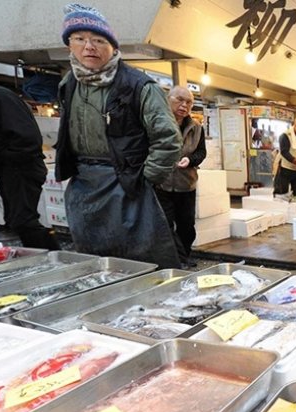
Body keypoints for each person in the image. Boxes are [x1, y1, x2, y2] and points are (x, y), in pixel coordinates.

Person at [54, 4, 182, 269]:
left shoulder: (138, 85)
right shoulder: (68, 83)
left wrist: (146, 178)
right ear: (69, 45)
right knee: (94, 262)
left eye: (98, 40)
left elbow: (168, 138)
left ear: (113, 46)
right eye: (79, 39)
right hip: (83, 183)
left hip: (126, 183)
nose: (89, 47)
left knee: (141, 259)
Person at [0, 56, 60, 250]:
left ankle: (54, 258)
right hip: (9, 170)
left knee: (24, 220)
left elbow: (27, 138)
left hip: (21, 168)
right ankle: (46, 259)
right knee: (18, 220)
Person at [155, 86, 206, 269]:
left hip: (186, 185)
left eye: (189, 102)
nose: (184, 105)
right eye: (179, 100)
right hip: (162, 184)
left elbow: (201, 153)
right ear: (168, 99)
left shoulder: (197, 128)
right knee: (166, 226)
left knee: (187, 227)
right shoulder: (157, 124)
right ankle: (177, 260)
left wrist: (190, 160)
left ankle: (184, 255)